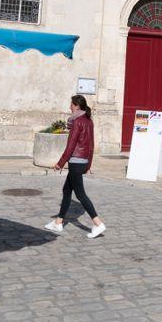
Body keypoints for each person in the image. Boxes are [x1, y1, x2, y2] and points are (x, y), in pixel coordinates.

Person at [45, 94, 106, 239]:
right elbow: (91, 145)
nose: (69, 107)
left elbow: (71, 145)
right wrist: (88, 163)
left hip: (75, 161)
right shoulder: (88, 121)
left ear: (77, 106)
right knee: (67, 190)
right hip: (82, 161)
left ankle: (98, 223)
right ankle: (58, 222)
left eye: (71, 104)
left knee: (80, 194)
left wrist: (60, 163)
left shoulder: (77, 122)